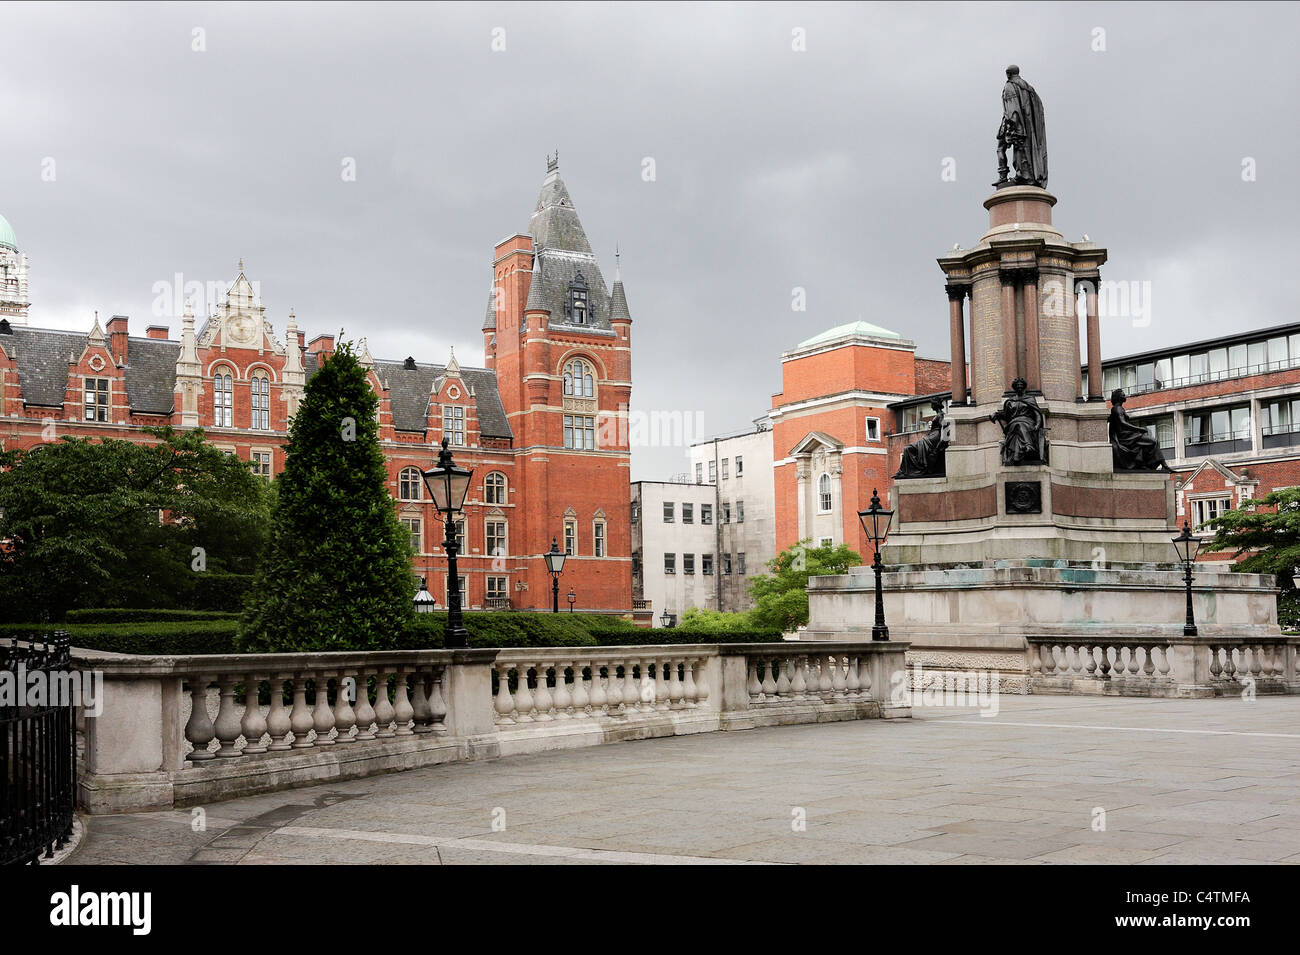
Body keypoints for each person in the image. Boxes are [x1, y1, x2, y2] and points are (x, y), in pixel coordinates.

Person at [1109, 389, 1173, 472]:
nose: (1125, 396)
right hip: (1126, 437)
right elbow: (1123, 423)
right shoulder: (1117, 409)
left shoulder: (1119, 408)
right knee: (1153, 441)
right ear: (1118, 397)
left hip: (1129, 435)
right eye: (1123, 395)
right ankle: (1162, 465)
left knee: (1148, 443)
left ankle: (1146, 464)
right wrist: (1139, 429)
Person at [990, 377, 1048, 466]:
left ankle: (1020, 453)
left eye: (1021, 385)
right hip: (1014, 422)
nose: (1019, 387)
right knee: (1017, 425)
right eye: (1017, 386)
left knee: (1019, 425)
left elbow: (1037, 414)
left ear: (1024, 387)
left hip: (1028, 421)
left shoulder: (1030, 399)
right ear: (1015, 388)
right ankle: (1027, 447)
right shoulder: (1010, 401)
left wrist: (1037, 425)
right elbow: (1006, 416)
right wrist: (997, 415)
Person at [895, 398, 950, 478]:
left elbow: (944, 428)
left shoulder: (941, 415)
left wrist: (939, 444)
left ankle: (906, 471)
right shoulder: (939, 415)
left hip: (933, 438)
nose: (931, 406)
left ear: (935, 405)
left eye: (932, 404)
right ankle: (904, 471)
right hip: (931, 437)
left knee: (908, 448)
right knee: (908, 448)